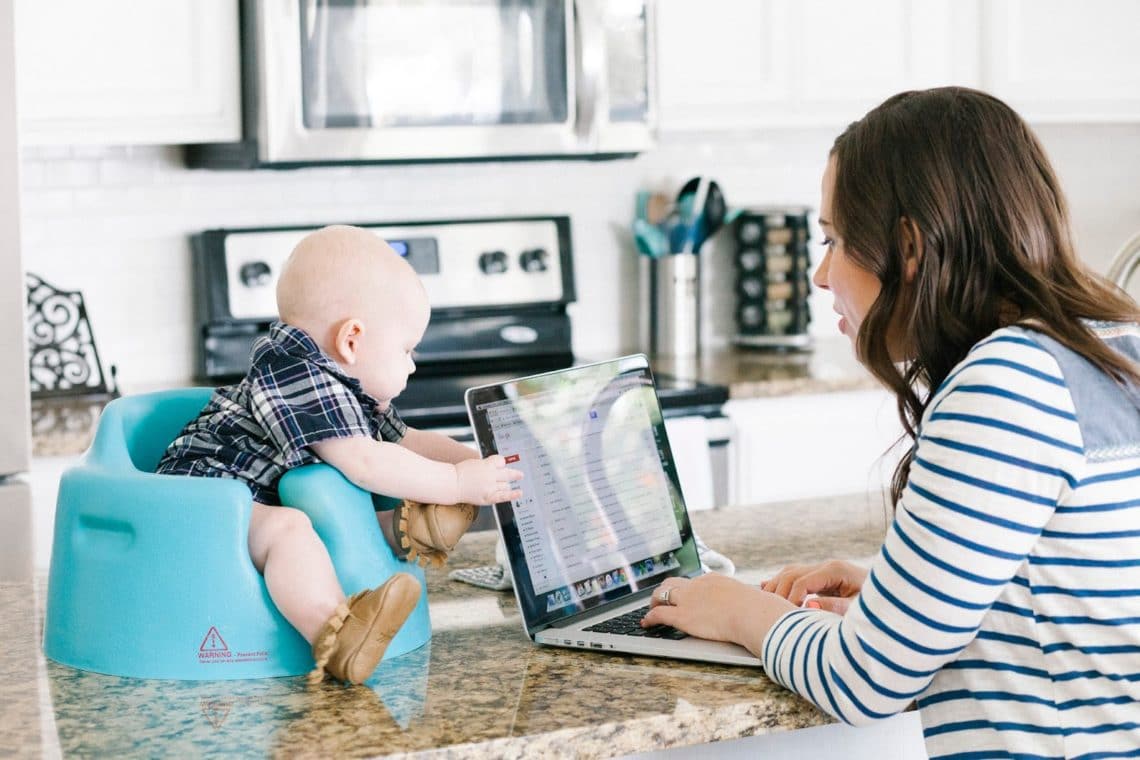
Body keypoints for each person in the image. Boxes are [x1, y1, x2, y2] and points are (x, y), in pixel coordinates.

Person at [641, 87, 1140, 757]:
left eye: (836, 240)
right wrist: (897, 597)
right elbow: (1070, 601)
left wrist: (736, 609)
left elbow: (866, 680)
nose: (821, 274)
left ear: (908, 245)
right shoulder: (1112, 346)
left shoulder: (1007, 385)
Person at [157, 225, 523, 685]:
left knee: (333, 516)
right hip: (205, 497)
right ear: (351, 340)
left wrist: (477, 462)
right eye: (407, 349)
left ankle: (410, 531)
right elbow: (366, 462)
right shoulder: (292, 369)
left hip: (254, 494)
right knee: (287, 529)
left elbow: (406, 442)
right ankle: (337, 635)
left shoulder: (347, 386)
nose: (412, 365)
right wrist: (457, 485)